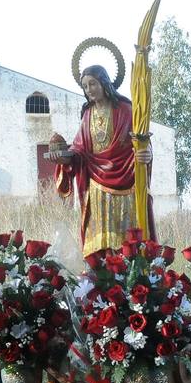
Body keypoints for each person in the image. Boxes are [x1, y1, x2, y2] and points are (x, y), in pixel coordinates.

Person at [48, 64, 155, 256]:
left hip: (127, 182)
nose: (89, 89)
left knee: (128, 240)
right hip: (96, 185)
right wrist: (63, 158)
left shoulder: (125, 109)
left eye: (93, 84)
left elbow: (142, 140)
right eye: (85, 86)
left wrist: (146, 153)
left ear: (104, 83)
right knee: (100, 242)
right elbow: (79, 149)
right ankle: (102, 272)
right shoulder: (88, 114)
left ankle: (130, 271)